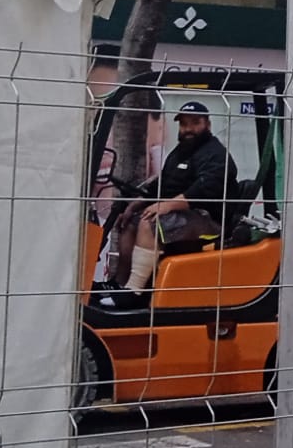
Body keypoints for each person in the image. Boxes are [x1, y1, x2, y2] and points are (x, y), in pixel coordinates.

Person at [101, 102, 237, 302]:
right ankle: (119, 284)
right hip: (184, 215)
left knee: (151, 222)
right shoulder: (179, 153)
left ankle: (135, 292)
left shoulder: (216, 155)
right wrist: (134, 205)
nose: (188, 129)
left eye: (194, 123)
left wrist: (165, 205)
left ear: (207, 124)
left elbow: (202, 190)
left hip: (209, 219)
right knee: (130, 222)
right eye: (184, 124)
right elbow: (163, 184)